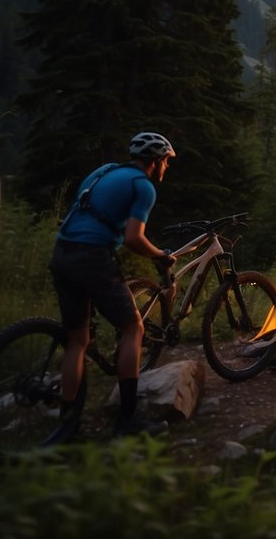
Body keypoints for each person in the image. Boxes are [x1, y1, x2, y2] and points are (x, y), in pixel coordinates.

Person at [50, 131, 178, 438]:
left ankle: (67, 427)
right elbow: (134, 238)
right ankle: (127, 420)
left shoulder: (105, 171)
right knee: (134, 328)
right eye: (166, 162)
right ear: (156, 161)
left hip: (62, 253)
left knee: (77, 341)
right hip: (92, 258)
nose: (167, 168)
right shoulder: (143, 185)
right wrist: (160, 255)